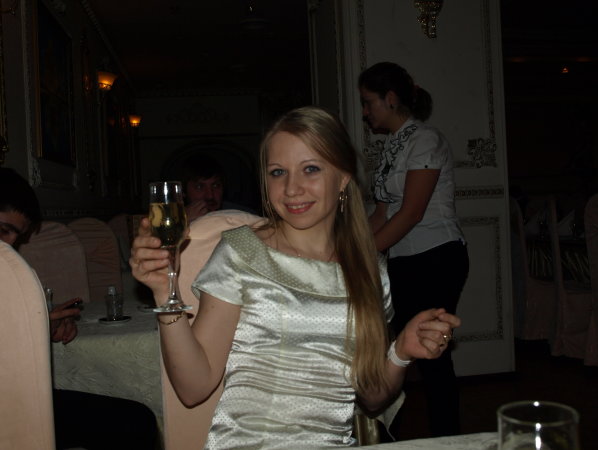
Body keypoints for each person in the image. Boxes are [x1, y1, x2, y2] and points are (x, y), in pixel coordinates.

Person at [130, 106, 461, 448]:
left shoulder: (368, 271)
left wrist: (401, 351)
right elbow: (193, 388)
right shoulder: (242, 252)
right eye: (278, 172)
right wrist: (164, 294)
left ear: (343, 177)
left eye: (310, 169)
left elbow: (373, 398)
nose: (291, 188)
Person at [0, 167, 158, 450]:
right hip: (9, 410)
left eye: (17, 237)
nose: (10, 244)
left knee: (136, 419)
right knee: (134, 423)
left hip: (18, 396)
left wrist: (45, 325)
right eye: (3, 230)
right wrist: (34, 330)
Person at [358, 62, 469, 437]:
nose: (365, 111)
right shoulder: (392, 145)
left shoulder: (426, 139)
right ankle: (393, 435)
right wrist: (351, 249)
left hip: (437, 256)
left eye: (369, 102)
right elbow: (382, 214)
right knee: (399, 352)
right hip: (404, 260)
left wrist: (365, 255)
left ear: (390, 98)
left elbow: (412, 213)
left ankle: (448, 439)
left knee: (433, 357)